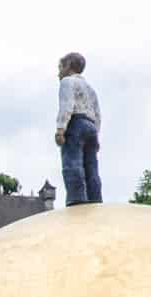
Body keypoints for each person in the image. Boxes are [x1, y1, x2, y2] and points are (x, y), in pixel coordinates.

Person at [55, 51, 101, 206]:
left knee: (72, 162)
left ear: (68, 66)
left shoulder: (67, 82)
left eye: (59, 68)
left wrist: (61, 129)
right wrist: (97, 134)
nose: (58, 73)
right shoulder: (90, 88)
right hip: (91, 126)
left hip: (75, 123)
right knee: (91, 166)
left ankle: (77, 198)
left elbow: (67, 105)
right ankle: (95, 198)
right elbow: (97, 112)